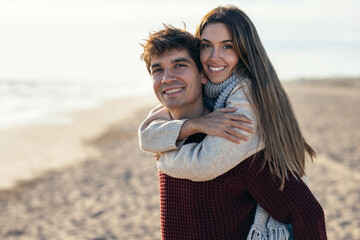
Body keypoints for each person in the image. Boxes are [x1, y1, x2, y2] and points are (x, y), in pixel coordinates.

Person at [139, 7, 327, 239]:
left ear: (202, 75)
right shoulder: (170, 134)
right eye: (157, 70)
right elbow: (147, 133)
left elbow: (308, 214)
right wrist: (193, 125)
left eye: (179, 65)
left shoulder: (234, 133)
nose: (167, 78)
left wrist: (167, 155)